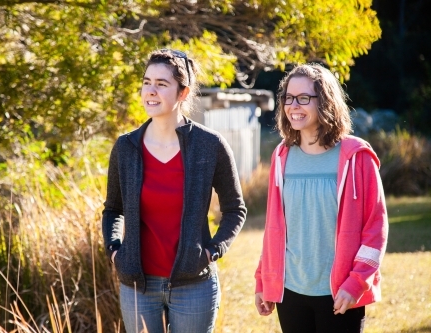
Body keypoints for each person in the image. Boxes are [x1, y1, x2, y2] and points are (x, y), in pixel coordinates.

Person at [102, 49, 247, 333]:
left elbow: (234, 209)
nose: (150, 91)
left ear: (183, 93)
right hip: (137, 287)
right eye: (146, 82)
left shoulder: (210, 146)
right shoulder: (126, 147)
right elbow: (112, 209)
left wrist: (212, 251)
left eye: (161, 84)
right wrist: (115, 252)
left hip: (193, 284)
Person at [254, 63, 388, 332]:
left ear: (325, 101)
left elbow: (376, 228)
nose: (294, 106)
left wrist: (356, 283)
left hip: (340, 292)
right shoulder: (281, 156)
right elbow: (275, 228)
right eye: (288, 98)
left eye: (304, 98)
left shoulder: (356, 156)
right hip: (290, 290)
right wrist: (263, 280)